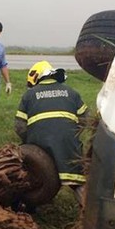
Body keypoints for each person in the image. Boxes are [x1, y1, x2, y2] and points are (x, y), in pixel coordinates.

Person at [15, 61, 88, 203]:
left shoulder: (29, 95)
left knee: (29, 171)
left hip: (38, 145)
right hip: (69, 144)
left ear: (36, 77)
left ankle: (27, 206)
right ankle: (88, 211)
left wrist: (29, 142)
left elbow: (19, 127)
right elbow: (85, 119)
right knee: (76, 179)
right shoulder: (72, 93)